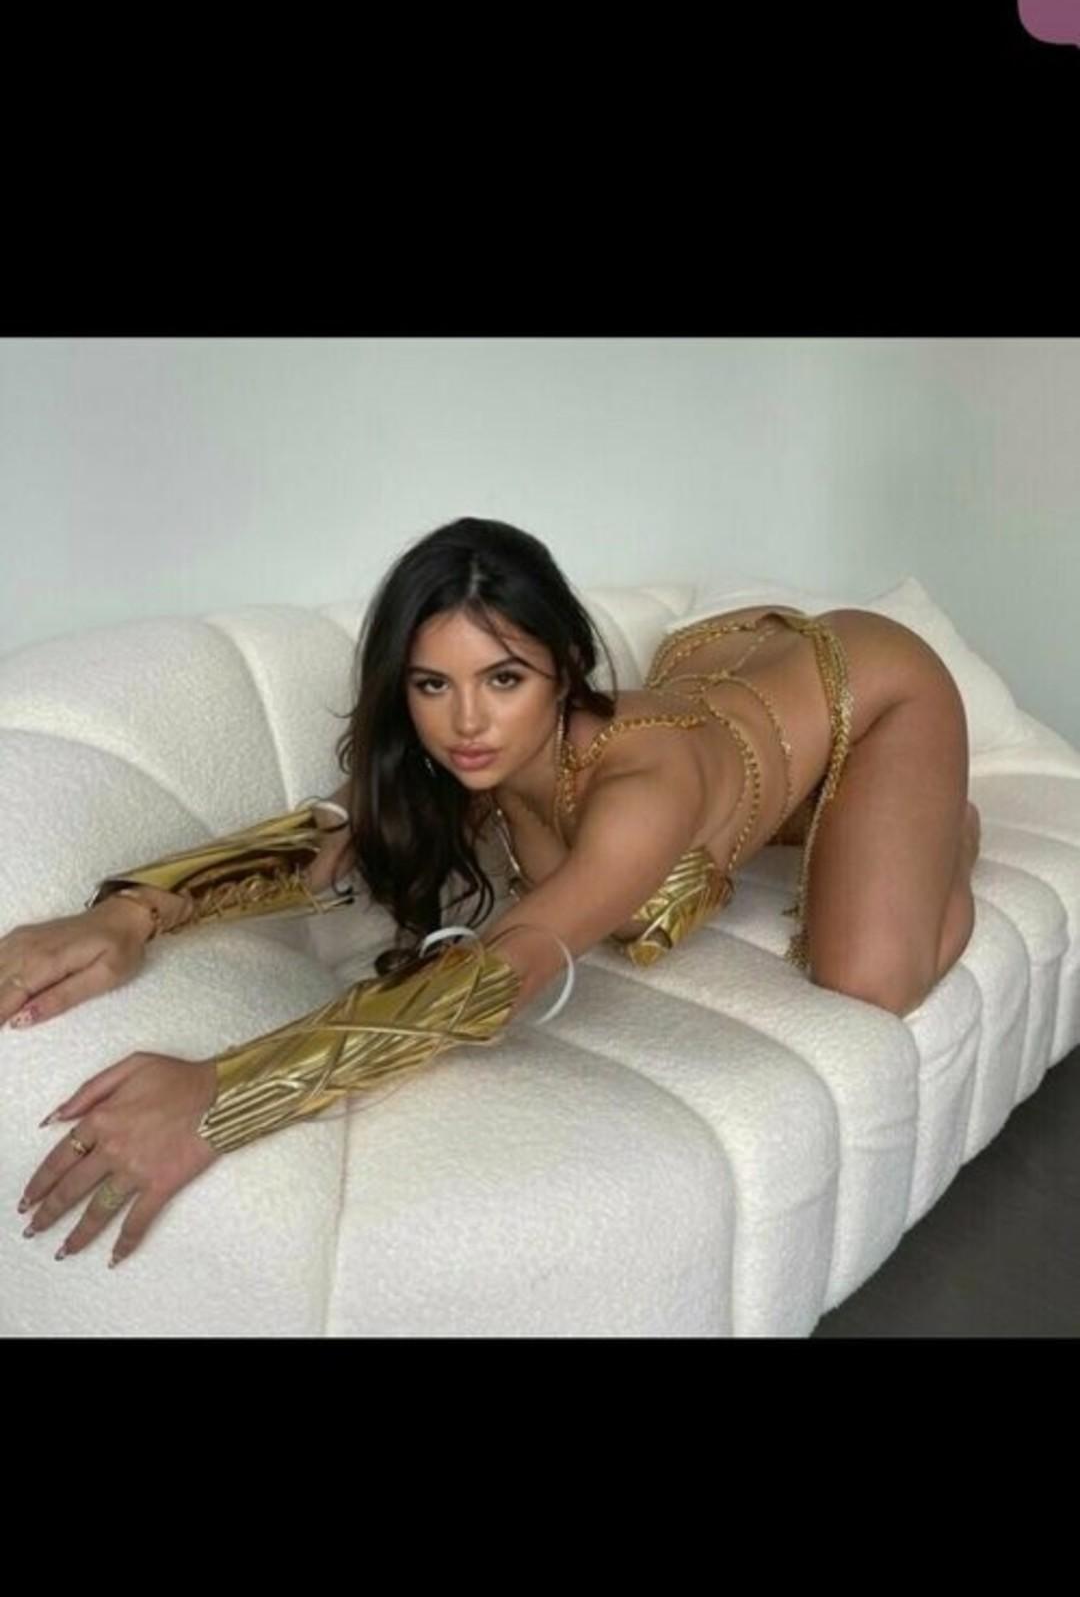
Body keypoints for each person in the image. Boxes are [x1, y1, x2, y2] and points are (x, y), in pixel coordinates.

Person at [0, 517, 980, 1269]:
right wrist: (127, 914)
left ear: (564, 668)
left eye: (504, 678)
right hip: (730, 677)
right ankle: (834, 813)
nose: (465, 722)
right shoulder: (473, 755)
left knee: (869, 975)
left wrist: (226, 1092)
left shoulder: (644, 789)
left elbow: (506, 969)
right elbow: (326, 836)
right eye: (432, 684)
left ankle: (949, 827)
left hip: (871, 686)